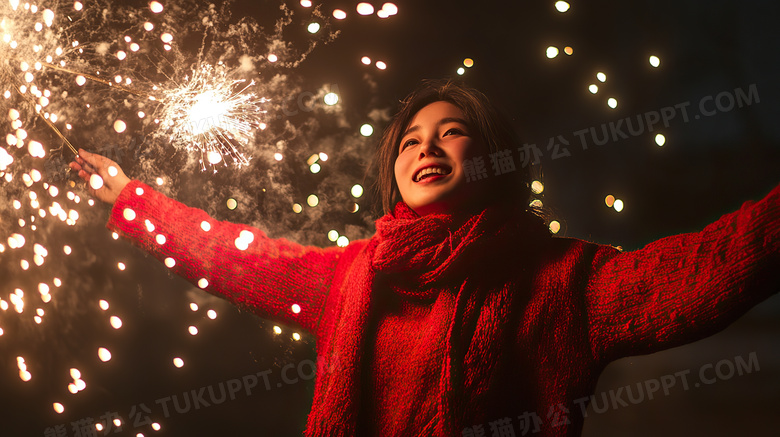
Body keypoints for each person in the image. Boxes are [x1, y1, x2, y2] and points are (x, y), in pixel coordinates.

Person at [69, 80, 779, 437]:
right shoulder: (351, 276)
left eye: (452, 133)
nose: (426, 148)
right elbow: (232, 256)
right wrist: (131, 197)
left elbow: (713, 265)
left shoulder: (564, 280)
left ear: (495, 155)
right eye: (411, 139)